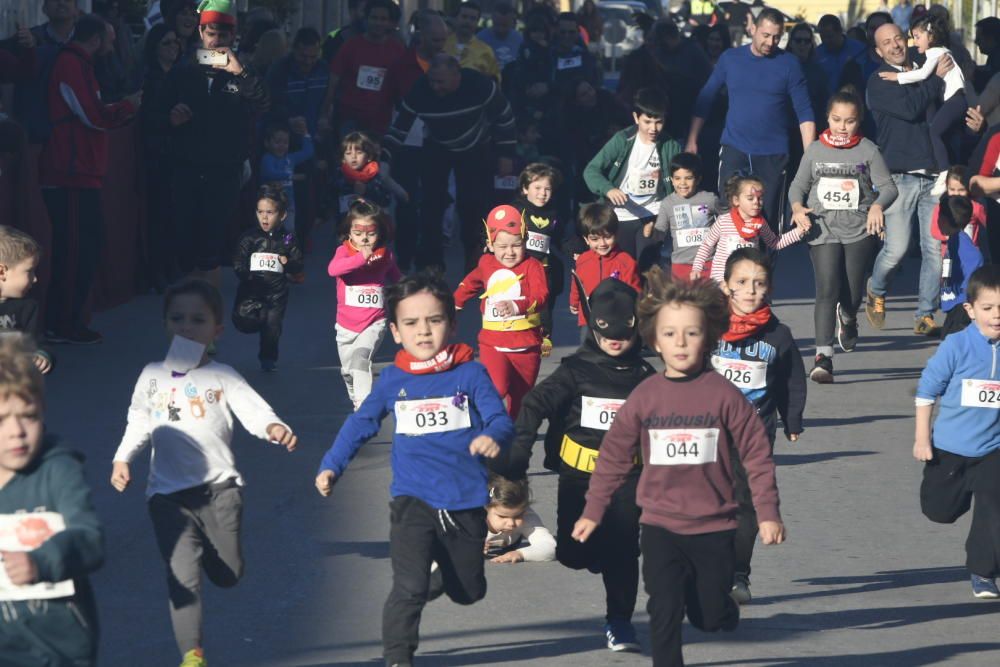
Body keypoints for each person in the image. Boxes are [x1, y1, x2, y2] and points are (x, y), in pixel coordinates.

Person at [572, 267, 785, 667]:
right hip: (659, 526)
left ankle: (721, 609)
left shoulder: (723, 394)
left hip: (715, 526)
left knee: (708, 615)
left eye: (692, 332)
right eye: (670, 334)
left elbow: (756, 453)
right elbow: (614, 455)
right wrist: (593, 510)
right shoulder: (646, 395)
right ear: (653, 339)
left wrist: (768, 513)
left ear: (709, 336)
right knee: (663, 609)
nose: (681, 342)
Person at [315, 271, 514, 667]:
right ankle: (397, 657)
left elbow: (501, 419)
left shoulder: (469, 373)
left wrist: (493, 435)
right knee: (407, 587)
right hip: (412, 500)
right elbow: (361, 423)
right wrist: (331, 465)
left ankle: (443, 579)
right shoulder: (392, 380)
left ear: (452, 324)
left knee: (469, 590)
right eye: (411, 323)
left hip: (465, 500)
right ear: (395, 330)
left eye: (434, 320)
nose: (423, 332)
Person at [111, 279, 297, 667]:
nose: (186, 326)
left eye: (197, 319)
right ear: (165, 323)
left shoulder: (223, 375)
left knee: (228, 573)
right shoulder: (151, 375)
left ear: (217, 330)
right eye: (177, 318)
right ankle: (192, 655)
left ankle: (219, 559)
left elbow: (254, 410)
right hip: (166, 497)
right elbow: (139, 418)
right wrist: (122, 457)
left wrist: (274, 428)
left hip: (220, 490)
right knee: (183, 575)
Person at [504, 278, 654, 652]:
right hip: (578, 479)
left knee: (623, 549)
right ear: (593, 326)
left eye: (625, 333)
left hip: (626, 480)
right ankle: (598, 556)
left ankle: (619, 622)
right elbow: (534, 404)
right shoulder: (576, 370)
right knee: (571, 553)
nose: (615, 341)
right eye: (607, 334)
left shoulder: (648, 379)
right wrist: (519, 452)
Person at [0, 334, 103, 667]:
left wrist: (40, 561)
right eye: (1, 419)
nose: (16, 431)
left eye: (27, 415)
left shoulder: (58, 469)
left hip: (58, 648)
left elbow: (90, 538)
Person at [39, 14, 141, 345]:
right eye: (109, 39)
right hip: (70, 171)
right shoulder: (72, 63)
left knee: (82, 246)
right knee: (76, 248)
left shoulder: (77, 63)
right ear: (95, 39)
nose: (112, 46)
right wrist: (128, 106)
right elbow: (93, 115)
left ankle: (67, 321)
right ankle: (62, 323)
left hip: (78, 170)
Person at [154, 0, 269, 290]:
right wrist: (171, 118)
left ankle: (206, 309)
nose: (217, 41)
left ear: (233, 36)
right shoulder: (182, 71)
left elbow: (264, 102)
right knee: (185, 237)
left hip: (224, 168)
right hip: (186, 166)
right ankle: (190, 300)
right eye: (211, 34)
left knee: (212, 241)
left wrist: (240, 72)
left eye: (224, 35)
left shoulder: (242, 71)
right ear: (201, 33)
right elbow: (155, 115)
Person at [713, 248, 805, 602]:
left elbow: (791, 379)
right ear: (726, 287)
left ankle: (739, 573)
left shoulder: (778, 336)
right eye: (742, 282)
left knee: (746, 504)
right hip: (708, 433)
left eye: (759, 283)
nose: (751, 290)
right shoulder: (708, 326)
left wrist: (791, 417)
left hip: (755, 434)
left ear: (770, 289)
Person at [788, 89, 897, 382]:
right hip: (822, 228)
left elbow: (888, 187)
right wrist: (798, 208)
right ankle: (823, 358)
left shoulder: (868, 150)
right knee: (827, 288)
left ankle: (848, 318)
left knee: (850, 291)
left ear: (858, 121)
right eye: (837, 119)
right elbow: (797, 186)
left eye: (849, 121)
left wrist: (877, 206)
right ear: (828, 117)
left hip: (859, 229)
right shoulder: (815, 150)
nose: (842, 126)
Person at [914, 264, 1000, 600]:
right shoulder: (956, 346)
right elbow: (925, 392)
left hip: (993, 448)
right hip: (949, 447)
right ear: (970, 309)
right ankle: (961, 495)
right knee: (939, 510)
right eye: (988, 308)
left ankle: (983, 571)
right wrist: (922, 440)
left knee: (993, 504)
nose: (996, 316)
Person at [384, 54, 516, 271]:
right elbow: (400, 127)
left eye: (441, 82)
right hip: (438, 146)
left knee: (472, 205)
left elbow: (505, 116)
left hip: (475, 146)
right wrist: (384, 160)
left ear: (457, 76)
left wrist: (506, 154)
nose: (436, 87)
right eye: (432, 81)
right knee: (431, 205)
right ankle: (431, 262)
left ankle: (474, 258)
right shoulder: (420, 90)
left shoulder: (479, 84)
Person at [688, 8, 816, 230]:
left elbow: (804, 113)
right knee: (728, 212)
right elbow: (705, 98)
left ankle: (765, 263)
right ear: (753, 29)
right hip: (735, 148)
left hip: (773, 153)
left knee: (766, 219)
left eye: (776, 37)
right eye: (765, 35)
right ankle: (730, 263)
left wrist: (810, 156)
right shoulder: (731, 59)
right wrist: (692, 139)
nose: (771, 42)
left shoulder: (789, 64)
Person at [864, 22, 954, 337]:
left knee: (934, 248)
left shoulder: (926, 66)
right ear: (878, 51)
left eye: (898, 38)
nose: (895, 45)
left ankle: (925, 314)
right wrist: (935, 80)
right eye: (886, 43)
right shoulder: (879, 81)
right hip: (898, 177)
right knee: (897, 249)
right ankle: (876, 288)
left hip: (933, 176)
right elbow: (912, 108)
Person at [454, 205, 548, 418]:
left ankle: (511, 439)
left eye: (516, 245)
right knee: (497, 389)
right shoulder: (486, 262)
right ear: (490, 245)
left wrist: (517, 306)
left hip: (527, 345)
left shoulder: (533, 266)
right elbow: (471, 282)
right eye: (502, 246)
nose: (509, 252)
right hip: (493, 343)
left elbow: (541, 296)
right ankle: (483, 423)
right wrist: (454, 304)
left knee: (521, 402)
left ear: (525, 242)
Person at [583, 87, 681, 272]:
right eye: (647, 122)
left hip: (653, 213)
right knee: (624, 268)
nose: (653, 128)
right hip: (622, 215)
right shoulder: (622, 140)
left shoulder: (671, 145)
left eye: (659, 122)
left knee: (648, 269)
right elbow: (591, 170)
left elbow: (680, 182)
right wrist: (608, 189)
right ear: (636, 118)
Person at [879, 14, 967, 195]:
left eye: (917, 37)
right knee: (936, 127)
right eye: (912, 37)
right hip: (955, 100)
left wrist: (898, 77)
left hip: (955, 100)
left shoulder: (936, 52)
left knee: (934, 130)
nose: (914, 42)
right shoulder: (937, 52)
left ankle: (944, 172)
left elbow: (923, 74)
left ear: (931, 36)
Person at [327, 199, 401, 410]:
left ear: (380, 233)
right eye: (358, 233)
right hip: (345, 326)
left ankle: (364, 406)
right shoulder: (344, 252)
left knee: (361, 359)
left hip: (374, 321)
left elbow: (398, 280)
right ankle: (355, 394)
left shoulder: (385, 256)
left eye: (370, 233)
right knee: (348, 371)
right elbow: (333, 270)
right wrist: (360, 258)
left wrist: (414, 292)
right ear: (349, 232)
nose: (364, 238)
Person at [230, 185, 303, 372]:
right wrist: (246, 274)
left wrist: (288, 262)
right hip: (251, 290)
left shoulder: (286, 238)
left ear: (282, 215)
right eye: (260, 212)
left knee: (272, 327)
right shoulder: (249, 238)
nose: (264, 217)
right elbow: (238, 261)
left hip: (276, 294)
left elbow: (298, 264)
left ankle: (268, 358)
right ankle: (257, 320)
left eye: (270, 212)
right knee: (243, 320)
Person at [692, 174, 808, 284]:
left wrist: (799, 231)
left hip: (748, 279)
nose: (756, 203)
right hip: (722, 280)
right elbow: (707, 244)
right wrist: (697, 267)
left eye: (760, 198)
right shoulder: (723, 221)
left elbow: (774, 243)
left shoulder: (760, 223)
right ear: (736, 200)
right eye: (750, 198)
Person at [139, 22, 183, 291]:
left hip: (180, 152)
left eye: (176, 42)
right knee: (159, 215)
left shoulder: (181, 74)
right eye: (167, 43)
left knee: (176, 213)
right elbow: (145, 118)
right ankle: (156, 270)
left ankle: (171, 265)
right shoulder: (149, 77)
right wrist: (169, 120)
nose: (173, 47)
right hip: (157, 154)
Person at [321, 0, 405, 137]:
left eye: (383, 19)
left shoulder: (397, 50)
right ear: (366, 19)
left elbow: (402, 87)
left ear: (390, 23)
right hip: (350, 120)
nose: (378, 23)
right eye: (374, 18)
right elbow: (333, 83)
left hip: (382, 123)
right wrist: (324, 116)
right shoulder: (350, 46)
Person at [510, 163, 564, 355]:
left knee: (543, 304)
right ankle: (518, 335)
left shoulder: (554, 213)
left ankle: (544, 337)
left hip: (543, 267)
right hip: (519, 268)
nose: (543, 193)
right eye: (537, 188)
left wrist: (574, 248)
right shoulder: (516, 210)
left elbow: (559, 238)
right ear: (525, 189)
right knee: (520, 302)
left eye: (547, 189)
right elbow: (497, 228)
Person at [568, 204, 642, 336]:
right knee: (588, 352)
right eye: (595, 239)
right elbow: (577, 284)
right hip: (588, 319)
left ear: (616, 234)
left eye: (607, 237)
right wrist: (574, 302)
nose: (602, 244)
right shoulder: (583, 260)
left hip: (617, 320)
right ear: (586, 240)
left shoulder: (626, 262)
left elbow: (634, 292)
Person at [10, 0, 77, 145]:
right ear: (44, 9)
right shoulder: (28, 41)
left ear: (76, 8)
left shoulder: (87, 40)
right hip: (39, 133)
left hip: (77, 132)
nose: (61, 3)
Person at [654, 152, 719, 280]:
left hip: (708, 263)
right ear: (671, 180)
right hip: (680, 264)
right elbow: (659, 232)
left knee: (710, 299)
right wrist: (651, 231)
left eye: (688, 178)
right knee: (683, 299)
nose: (682, 183)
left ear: (698, 179)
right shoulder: (667, 203)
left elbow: (728, 220)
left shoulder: (710, 199)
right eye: (677, 178)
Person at [0, 227, 53, 373]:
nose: (35, 279)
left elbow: (36, 342)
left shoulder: (27, 307)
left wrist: (42, 356)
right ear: (2, 271)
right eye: (29, 271)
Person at [935, 194, 983, 340]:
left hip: (961, 306)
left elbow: (976, 260)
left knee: (952, 343)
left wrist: (967, 293)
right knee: (948, 341)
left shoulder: (963, 243)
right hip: (954, 304)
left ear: (943, 219)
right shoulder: (954, 240)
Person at [259, 119, 315, 239]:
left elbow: (308, 152)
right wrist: (290, 176)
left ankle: (288, 251)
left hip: (288, 204)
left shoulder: (290, 158)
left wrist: (305, 133)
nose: (282, 146)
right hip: (270, 205)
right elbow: (269, 173)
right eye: (277, 142)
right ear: (267, 143)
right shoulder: (267, 158)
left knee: (289, 230)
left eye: (285, 142)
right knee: (269, 230)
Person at [483, 474, 555, 563]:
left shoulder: (527, 515)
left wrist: (520, 554)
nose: (511, 523)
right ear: (485, 508)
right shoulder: (471, 517)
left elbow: (550, 547)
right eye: (502, 516)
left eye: (517, 516)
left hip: (511, 545)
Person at [334, 131, 406, 216]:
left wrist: (367, 190)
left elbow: (386, 200)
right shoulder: (341, 173)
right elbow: (334, 196)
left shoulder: (377, 174)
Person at [815, 14, 867, 97]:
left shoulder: (859, 50)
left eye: (830, 36)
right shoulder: (817, 54)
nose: (826, 41)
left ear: (840, 31)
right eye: (822, 37)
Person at [446, 2, 500, 81]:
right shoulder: (442, 43)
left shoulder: (486, 51)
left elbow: (495, 81)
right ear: (456, 18)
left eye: (473, 19)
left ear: (477, 22)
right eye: (464, 17)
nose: (468, 21)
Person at [477, 2, 522, 70]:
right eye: (497, 24)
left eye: (504, 25)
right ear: (492, 19)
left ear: (511, 21)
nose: (500, 29)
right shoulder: (480, 39)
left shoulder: (520, 39)